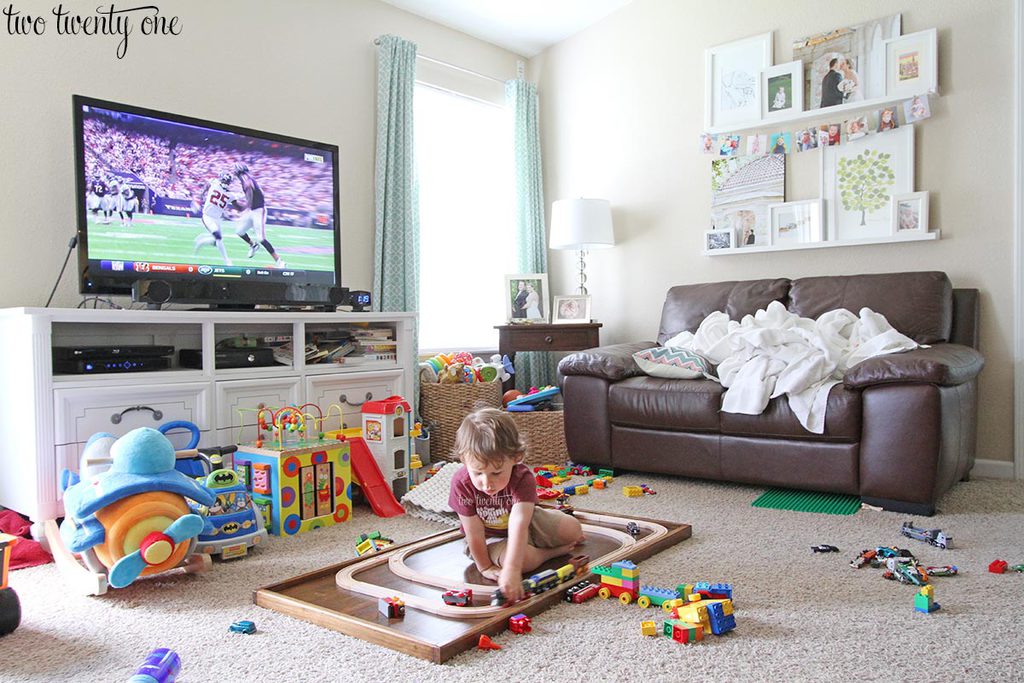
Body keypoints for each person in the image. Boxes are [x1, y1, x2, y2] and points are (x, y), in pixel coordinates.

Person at [448, 408, 584, 603]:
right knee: (524, 560)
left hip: (528, 523)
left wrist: (510, 569)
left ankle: (540, 548)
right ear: (463, 460)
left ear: (516, 457)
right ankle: (550, 553)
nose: (487, 483)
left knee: (574, 529)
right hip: (489, 538)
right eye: (478, 473)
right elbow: (474, 533)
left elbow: (519, 522)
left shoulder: (523, 477)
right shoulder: (461, 483)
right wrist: (485, 567)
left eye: (496, 473)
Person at [234, 161, 285, 268]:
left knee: (261, 238)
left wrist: (246, 205)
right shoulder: (247, 178)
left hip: (258, 210)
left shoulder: (246, 179)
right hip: (252, 210)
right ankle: (253, 245)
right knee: (239, 231)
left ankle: (279, 261)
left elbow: (250, 186)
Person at [193, 171, 240, 265]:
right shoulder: (214, 182)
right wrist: (202, 195)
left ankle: (202, 241)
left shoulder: (231, 195)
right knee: (218, 237)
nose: (225, 182)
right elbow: (207, 185)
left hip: (217, 219)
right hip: (207, 216)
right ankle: (227, 261)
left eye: (227, 181)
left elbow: (238, 207)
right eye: (224, 180)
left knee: (216, 242)